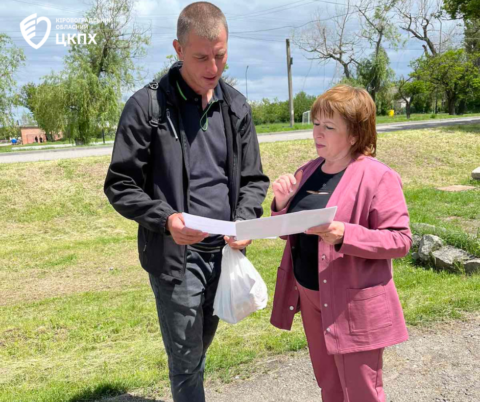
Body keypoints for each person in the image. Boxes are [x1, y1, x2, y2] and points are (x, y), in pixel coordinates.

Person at [103, 3, 269, 402]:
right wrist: (167, 219)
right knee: (186, 359)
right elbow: (120, 184)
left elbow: (253, 180)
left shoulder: (236, 107)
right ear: (178, 49)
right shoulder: (147, 107)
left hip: (224, 254)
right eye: (201, 57)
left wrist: (245, 221)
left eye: (220, 55)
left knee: (197, 349)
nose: (213, 67)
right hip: (176, 258)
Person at [270, 85, 412, 402]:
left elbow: (400, 240)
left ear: (354, 135)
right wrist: (281, 203)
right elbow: (289, 232)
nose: (317, 133)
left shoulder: (378, 176)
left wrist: (345, 235)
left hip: (353, 303)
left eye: (329, 127)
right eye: (316, 123)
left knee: (362, 392)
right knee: (329, 386)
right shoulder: (307, 171)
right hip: (310, 295)